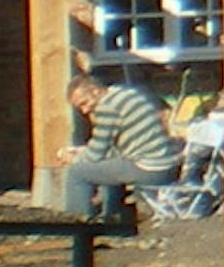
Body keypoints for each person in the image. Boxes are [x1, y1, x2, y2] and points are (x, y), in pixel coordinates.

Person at [58, 69, 179, 228]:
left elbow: (96, 154)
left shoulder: (107, 108)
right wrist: (81, 151)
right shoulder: (124, 95)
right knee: (110, 167)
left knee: (77, 172)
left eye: (84, 103)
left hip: (150, 169)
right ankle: (112, 217)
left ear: (96, 91)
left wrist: (73, 158)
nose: (85, 111)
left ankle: (77, 226)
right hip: (167, 164)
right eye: (79, 108)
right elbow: (107, 148)